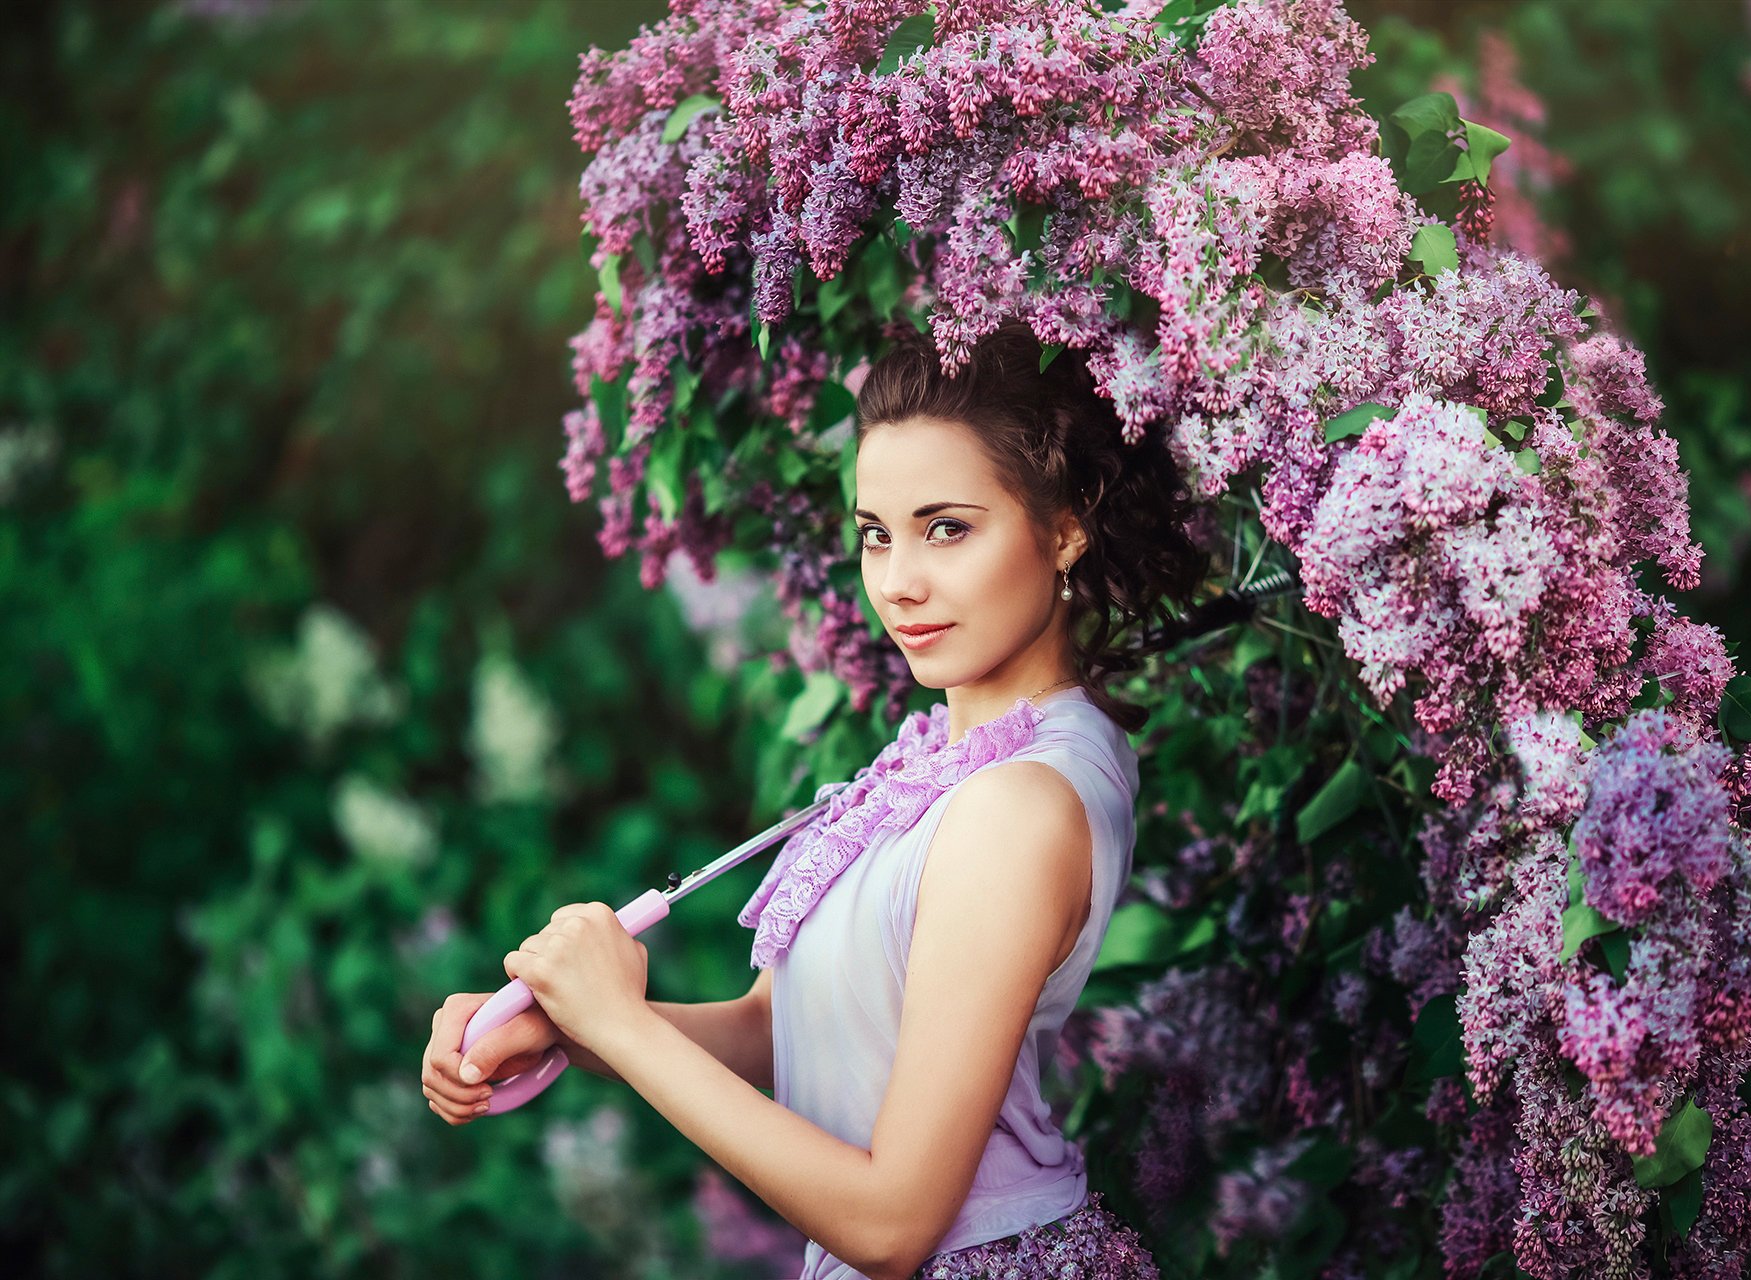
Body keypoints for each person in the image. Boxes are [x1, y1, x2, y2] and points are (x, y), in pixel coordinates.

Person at [421, 317, 1210, 1279]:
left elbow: (893, 1226)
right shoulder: (933, 764)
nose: (899, 583)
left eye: (947, 529)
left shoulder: (1021, 803)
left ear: (1065, 530)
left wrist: (623, 1024)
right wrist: (565, 1022)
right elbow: (782, 1031)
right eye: (876, 536)